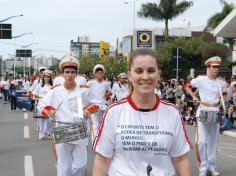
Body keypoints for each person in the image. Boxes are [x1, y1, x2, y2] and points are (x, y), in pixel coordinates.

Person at [92, 48, 192, 176]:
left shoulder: (172, 112)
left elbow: (181, 159)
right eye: (139, 71)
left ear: (158, 74)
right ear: (129, 75)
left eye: (151, 71)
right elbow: (102, 160)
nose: (145, 77)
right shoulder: (113, 112)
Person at [37, 54, 92, 176]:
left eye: (73, 72)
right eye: (67, 72)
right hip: (62, 130)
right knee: (64, 167)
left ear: (76, 74)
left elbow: (95, 104)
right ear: (63, 74)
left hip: (79, 130)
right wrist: (49, 111)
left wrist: (88, 110)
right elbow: (41, 105)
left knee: (80, 166)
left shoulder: (83, 91)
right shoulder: (56, 91)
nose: (70, 75)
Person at [185, 56, 226, 176]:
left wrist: (222, 100)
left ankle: (211, 167)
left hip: (215, 110)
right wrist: (194, 96)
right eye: (214, 67)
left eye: (218, 67)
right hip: (203, 109)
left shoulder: (221, 82)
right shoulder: (201, 79)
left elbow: (224, 93)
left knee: (213, 141)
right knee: (202, 141)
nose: (216, 69)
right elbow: (187, 86)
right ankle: (203, 168)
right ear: (208, 67)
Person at [87, 64, 112, 138]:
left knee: (102, 124)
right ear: (95, 74)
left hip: (103, 106)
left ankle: (101, 139)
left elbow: (111, 93)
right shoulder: (90, 83)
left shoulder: (106, 83)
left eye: (101, 73)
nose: (100, 74)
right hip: (93, 106)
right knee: (96, 124)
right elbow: (85, 92)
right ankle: (95, 139)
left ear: (103, 74)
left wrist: (107, 94)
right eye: (98, 73)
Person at [33, 70, 53, 140]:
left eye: (48, 77)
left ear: (50, 78)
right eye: (45, 77)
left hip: (49, 105)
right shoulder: (40, 86)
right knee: (42, 119)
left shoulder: (52, 86)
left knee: (49, 119)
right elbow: (34, 95)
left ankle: (48, 132)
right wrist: (38, 98)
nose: (47, 78)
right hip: (41, 104)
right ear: (43, 77)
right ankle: (41, 134)